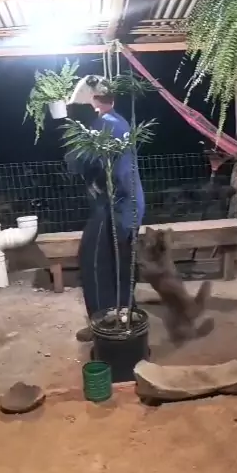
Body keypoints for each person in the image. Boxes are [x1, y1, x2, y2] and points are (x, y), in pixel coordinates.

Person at [65, 82, 145, 342]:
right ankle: (122, 317)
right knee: (118, 266)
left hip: (114, 205)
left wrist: (72, 133)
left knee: (95, 263)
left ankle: (103, 322)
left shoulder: (104, 125)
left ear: (93, 103)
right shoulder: (117, 121)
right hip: (127, 203)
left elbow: (79, 163)